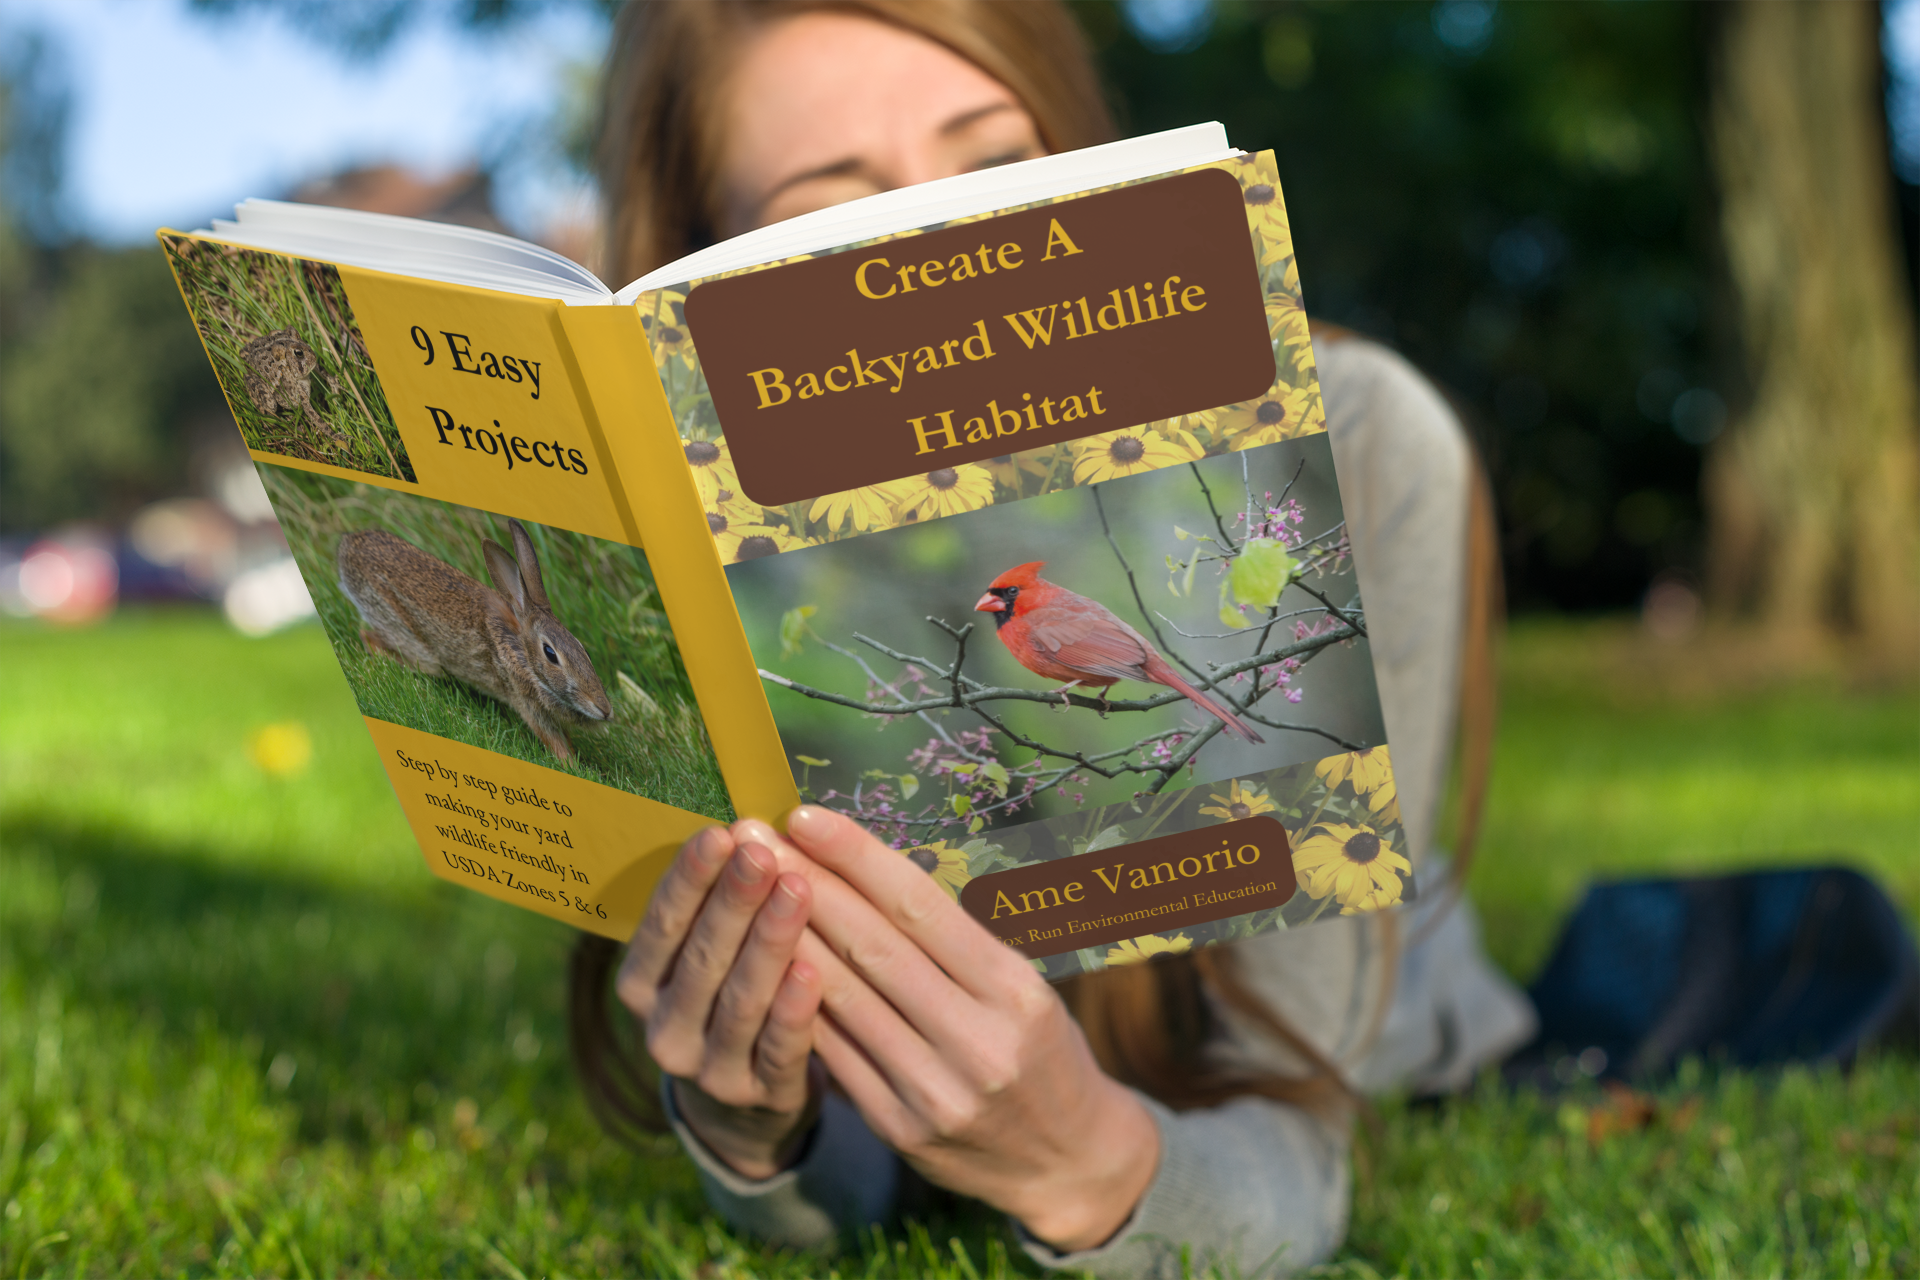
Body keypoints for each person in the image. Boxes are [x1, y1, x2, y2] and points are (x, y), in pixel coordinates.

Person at [566, 1, 1537, 1274]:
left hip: (1376, 1017)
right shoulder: (726, 571)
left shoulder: (1347, 449)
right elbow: (856, 1183)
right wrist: (757, 1125)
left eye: (992, 169)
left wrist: (1087, 1157)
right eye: (822, 218)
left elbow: (1298, 1153)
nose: (935, 246)